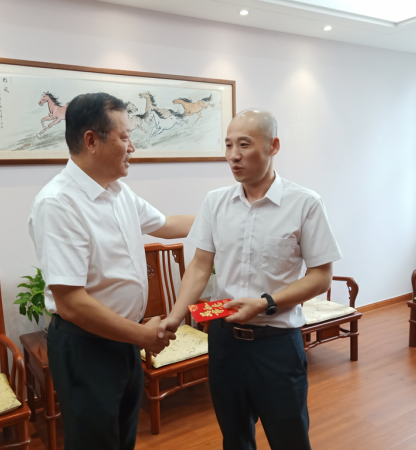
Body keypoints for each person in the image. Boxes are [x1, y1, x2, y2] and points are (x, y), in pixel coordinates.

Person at [158, 109, 342, 450]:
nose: (233, 155)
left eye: (244, 144)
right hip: (225, 343)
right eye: (228, 145)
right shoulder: (215, 202)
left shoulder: (305, 203)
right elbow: (199, 266)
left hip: (277, 344)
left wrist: (265, 303)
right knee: (235, 438)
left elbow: (320, 277)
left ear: (273, 146)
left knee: (289, 439)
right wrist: (175, 316)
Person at [28, 92, 195, 450]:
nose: (133, 147)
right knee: (94, 442)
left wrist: (227, 219)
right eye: (125, 137)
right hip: (87, 346)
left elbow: (167, 225)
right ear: (92, 140)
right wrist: (142, 336)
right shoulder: (59, 203)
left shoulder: (118, 192)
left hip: (124, 339)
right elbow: (71, 303)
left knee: (121, 437)